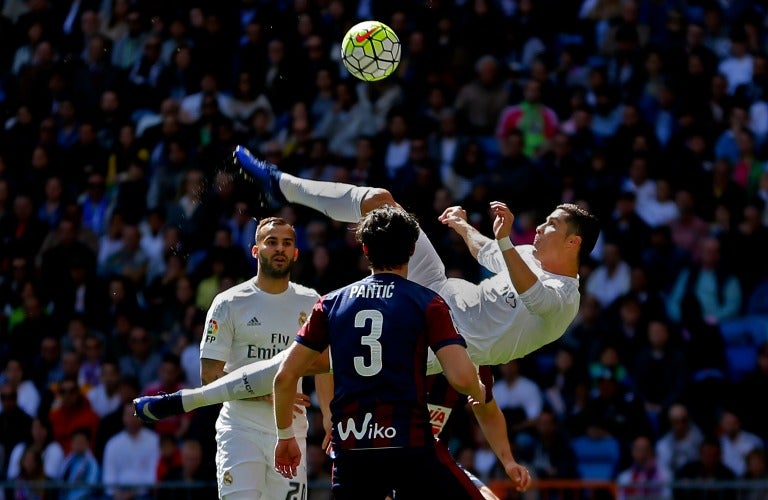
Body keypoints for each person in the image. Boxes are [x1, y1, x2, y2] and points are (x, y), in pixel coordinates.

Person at [133, 144, 599, 420]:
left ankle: (189, 401)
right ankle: (282, 183)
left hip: (435, 340)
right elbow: (489, 252)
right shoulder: (529, 258)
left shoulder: (563, 299)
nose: (540, 228)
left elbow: (528, 291)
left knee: (313, 360)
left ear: (574, 243)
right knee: (381, 201)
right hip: (435, 287)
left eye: (552, 226)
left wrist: (505, 242)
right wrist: (462, 227)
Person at [272, 204, 489, 498]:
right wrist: (477, 388)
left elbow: (284, 377)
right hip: (409, 445)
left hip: (352, 448)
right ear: (412, 249)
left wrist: (285, 436)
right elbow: (461, 377)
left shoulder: (330, 304)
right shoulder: (428, 303)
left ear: (365, 249)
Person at [196, 216, 321, 499]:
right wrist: (270, 394)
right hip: (240, 430)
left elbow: (326, 366)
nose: (280, 249)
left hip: (292, 432)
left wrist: (329, 419)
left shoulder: (312, 302)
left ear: (296, 253)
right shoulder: (229, 302)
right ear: (256, 250)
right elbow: (209, 375)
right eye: (271, 242)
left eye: (287, 243)